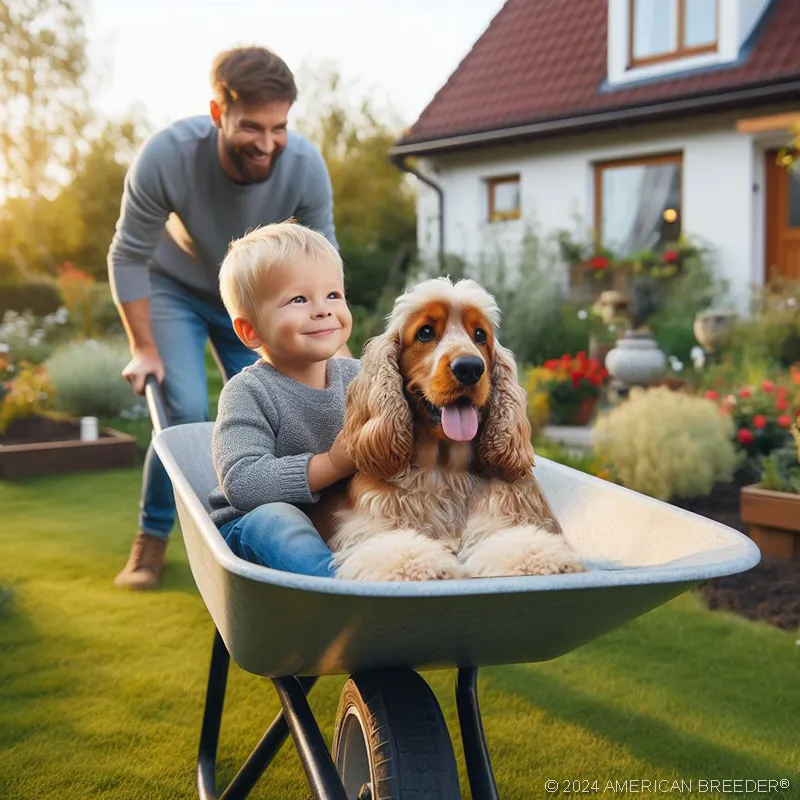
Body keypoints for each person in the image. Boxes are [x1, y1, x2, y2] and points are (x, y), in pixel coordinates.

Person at [109, 46, 350, 590]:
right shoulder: (166, 157)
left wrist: (336, 347)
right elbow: (127, 256)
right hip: (175, 289)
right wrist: (143, 347)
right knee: (188, 410)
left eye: (279, 127)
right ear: (218, 114)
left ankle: (302, 519)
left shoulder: (306, 167)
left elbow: (324, 264)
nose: (267, 144)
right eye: (251, 127)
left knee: (290, 400)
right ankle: (154, 535)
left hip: (268, 301)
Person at [208, 221, 360, 577]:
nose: (322, 309)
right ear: (250, 330)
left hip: (339, 517)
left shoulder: (360, 377)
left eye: (333, 295)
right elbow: (243, 482)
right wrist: (332, 465)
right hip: (255, 529)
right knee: (278, 518)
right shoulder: (249, 392)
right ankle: (343, 596)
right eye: (298, 299)